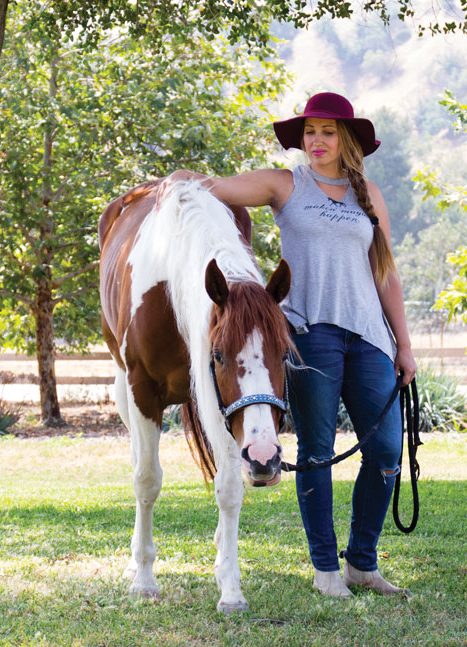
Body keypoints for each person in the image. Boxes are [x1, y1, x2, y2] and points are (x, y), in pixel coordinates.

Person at [174, 92, 416, 598]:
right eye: (309, 132)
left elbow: (385, 274)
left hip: (369, 335)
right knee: (315, 451)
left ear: (346, 138)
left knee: (388, 448)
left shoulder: (368, 193)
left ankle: (362, 563)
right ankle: (327, 569)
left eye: (328, 132)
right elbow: (216, 189)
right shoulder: (285, 184)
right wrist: (182, 182)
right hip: (308, 336)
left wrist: (404, 344)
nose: (317, 141)